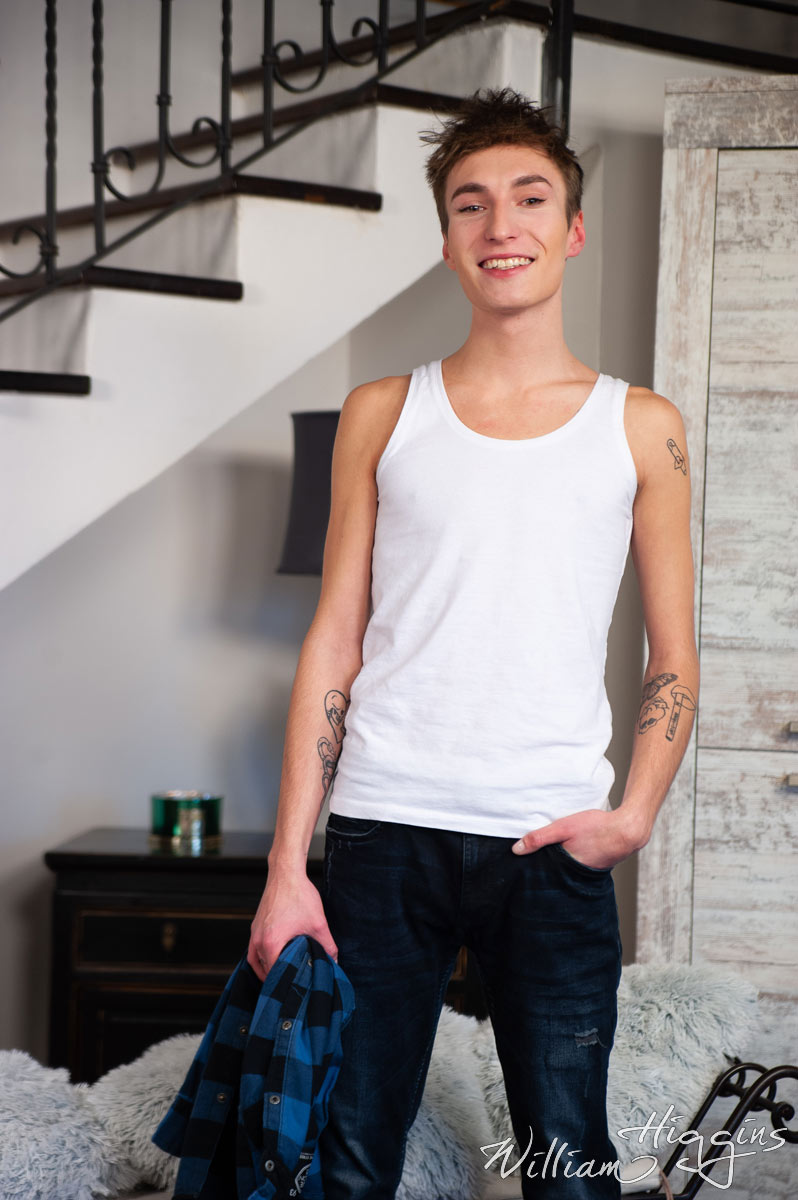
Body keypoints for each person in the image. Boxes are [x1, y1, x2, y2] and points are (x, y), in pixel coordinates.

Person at [247, 87, 698, 1199]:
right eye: (470, 204)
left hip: (552, 842)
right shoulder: (380, 411)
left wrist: (634, 815)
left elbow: (674, 656)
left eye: (530, 198)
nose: (502, 224)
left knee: (568, 1164)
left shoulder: (642, 427)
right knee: (349, 1162)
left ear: (572, 230)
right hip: (382, 833)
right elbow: (334, 640)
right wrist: (287, 868)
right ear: (447, 239)